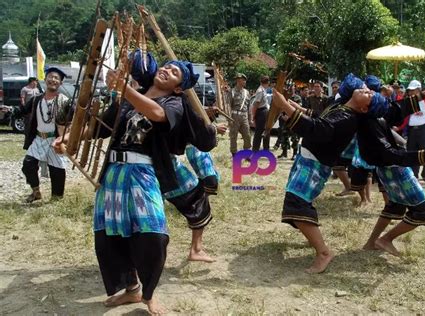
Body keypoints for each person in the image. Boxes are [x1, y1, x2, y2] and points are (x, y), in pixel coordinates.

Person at [56, 59, 200, 315]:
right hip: (113, 175)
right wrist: (67, 138)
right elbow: (98, 128)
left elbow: (156, 115)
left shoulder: (174, 103)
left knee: (153, 235)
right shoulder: (127, 99)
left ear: (179, 87)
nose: (166, 70)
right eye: (165, 66)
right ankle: (131, 289)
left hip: (142, 173)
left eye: (174, 72)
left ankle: (149, 294)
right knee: (111, 236)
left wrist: (125, 88)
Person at [272, 73, 388, 273]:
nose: (366, 89)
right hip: (308, 160)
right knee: (296, 204)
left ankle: (324, 252)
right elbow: (322, 118)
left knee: (296, 204)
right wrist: (297, 110)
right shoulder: (342, 108)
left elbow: (318, 129)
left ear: (364, 108)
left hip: (314, 166)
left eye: (369, 94)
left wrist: (287, 107)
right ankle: (314, 240)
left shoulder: (348, 118)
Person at [357, 77, 425, 256]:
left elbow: (397, 109)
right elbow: (388, 153)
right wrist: (421, 156)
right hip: (395, 168)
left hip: (387, 169)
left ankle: (371, 242)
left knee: (394, 207)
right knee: (424, 211)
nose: (371, 92)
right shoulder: (368, 120)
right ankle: (385, 239)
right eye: (367, 91)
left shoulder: (373, 112)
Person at [20, 67, 71, 203]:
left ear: (60, 83)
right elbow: (23, 110)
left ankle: (57, 198)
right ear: (45, 79)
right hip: (38, 138)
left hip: (55, 139)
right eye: (51, 77)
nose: (53, 80)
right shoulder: (36, 99)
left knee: (57, 170)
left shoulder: (65, 101)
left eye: (56, 78)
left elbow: (74, 116)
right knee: (28, 164)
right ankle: (36, 192)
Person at [397, 80, 425, 189]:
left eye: (413, 90)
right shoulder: (408, 102)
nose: (411, 93)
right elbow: (405, 117)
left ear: (419, 90)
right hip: (412, 130)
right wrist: (399, 127)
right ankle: (414, 177)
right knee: (413, 154)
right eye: (409, 91)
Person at [227, 73, 252, 156]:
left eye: (245, 80)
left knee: (247, 135)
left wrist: (250, 119)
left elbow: (249, 107)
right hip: (235, 116)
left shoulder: (247, 92)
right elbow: (228, 106)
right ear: (238, 80)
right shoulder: (232, 92)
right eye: (243, 80)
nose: (244, 81)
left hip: (244, 116)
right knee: (233, 135)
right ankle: (234, 153)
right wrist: (229, 119)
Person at [250, 75, 270, 152]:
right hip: (261, 112)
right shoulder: (260, 90)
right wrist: (253, 115)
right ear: (268, 82)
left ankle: (264, 149)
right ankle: (255, 151)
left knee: (264, 131)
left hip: (263, 112)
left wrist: (253, 115)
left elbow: (257, 103)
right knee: (259, 132)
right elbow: (256, 104)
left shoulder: (262, 90)